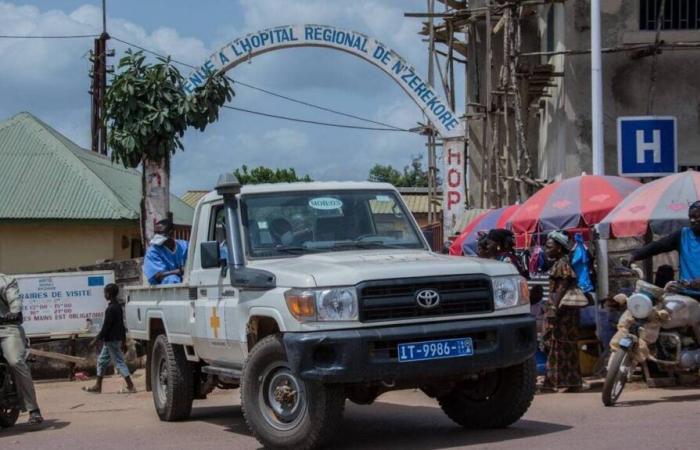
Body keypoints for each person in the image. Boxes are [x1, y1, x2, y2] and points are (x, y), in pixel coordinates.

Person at [541, 230, 583, 392]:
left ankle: (557, 381)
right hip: (562, 311)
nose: (546, 250)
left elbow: (562, 286)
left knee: (558, 345)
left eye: (549, 247)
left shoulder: (562, 264)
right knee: (559, 345)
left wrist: (553, 308)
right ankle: (567, 381)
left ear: (559, 248)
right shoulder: (561, 262)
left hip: (562, 312)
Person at [0, 274, 43, 424]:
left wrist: (14, 311)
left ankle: (33, 409)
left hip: (6, 327)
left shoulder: (5, 281)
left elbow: (14, 300)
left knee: (15, 361)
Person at [631, 201, 700, 287]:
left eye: (697, 217)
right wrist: (634, 255)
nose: (693, 220)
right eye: (691, 217)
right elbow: (658, 246)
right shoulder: (683, 235)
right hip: (687, 294)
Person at [83, 284, 136, 394]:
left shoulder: (111, 309)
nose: (104, 295)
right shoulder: (117, 307)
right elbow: (122, 326)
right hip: (112, 341)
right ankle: (98, 386)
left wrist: (95, 340)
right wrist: (123, 341)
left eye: (105, 293)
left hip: (112, 341)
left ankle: (131, 386)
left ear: (109, 294)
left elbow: (106, 327)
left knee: (119, 363)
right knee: (102, 361)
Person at [143, 218, 189, 285]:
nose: (157, 235)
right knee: (172, 279)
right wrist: (178, 271)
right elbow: (157, 276)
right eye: (155, 233)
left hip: (185, 281)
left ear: (171, 232)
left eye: (160, 232)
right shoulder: (153, 251)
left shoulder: (185, 246)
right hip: (165, 287)